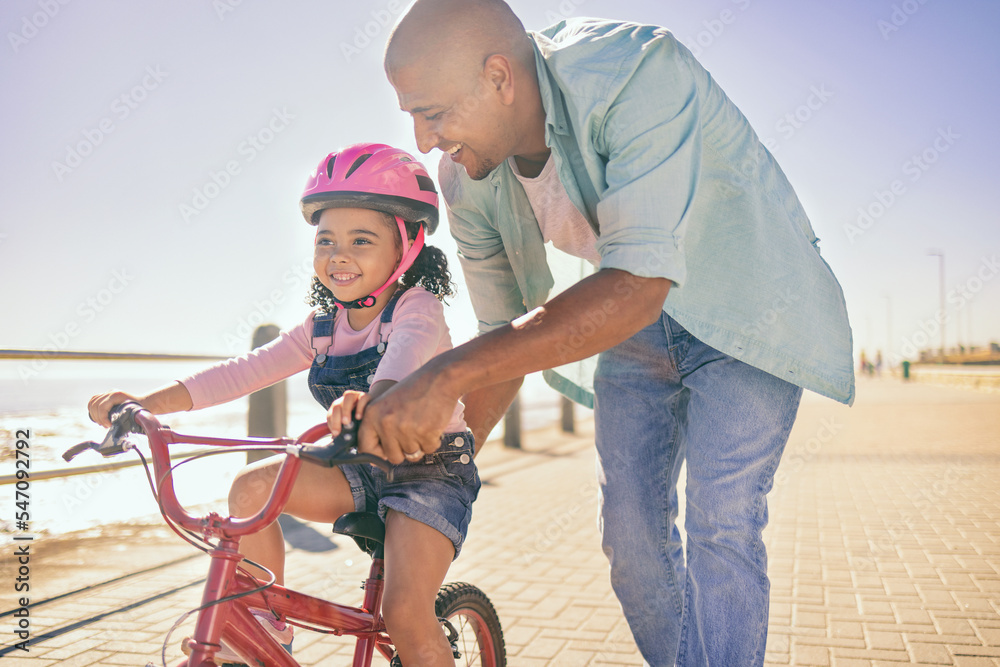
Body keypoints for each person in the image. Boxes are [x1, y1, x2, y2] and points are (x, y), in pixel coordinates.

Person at [362, 2, 856, 665]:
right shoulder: (467, 179)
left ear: (499, 77)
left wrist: (440, 375)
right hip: (637, 332)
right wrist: (432, 481)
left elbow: (639, 282)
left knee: (722, 521)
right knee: (631, 543)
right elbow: (498, 342)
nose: (423, 139)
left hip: (746, 309)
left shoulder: (634, 72)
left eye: (433, 112)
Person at [88, 143, 477, 667]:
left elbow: (400, 366)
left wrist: (373, 401)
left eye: (361, 240)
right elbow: (241, 372)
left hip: (429, 471)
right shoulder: (321, 329)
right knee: (250, 488)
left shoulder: (417, 309)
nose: (338, 255)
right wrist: (145, 405)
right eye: (326, 240)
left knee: (405, 613)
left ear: (407, 245)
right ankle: (267, 626)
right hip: (359, 464)